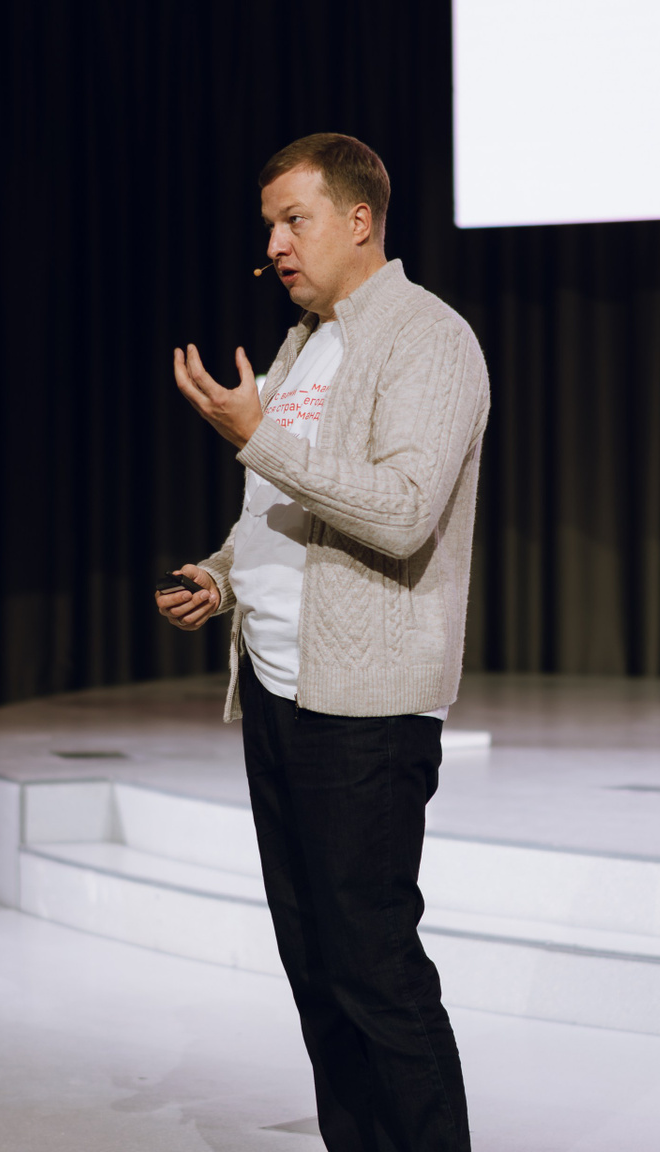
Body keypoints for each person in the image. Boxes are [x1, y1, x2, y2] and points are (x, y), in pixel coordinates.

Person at [158, 133, 490, 1151]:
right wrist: (223, 573)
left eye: (293, 221)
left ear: (358, 219)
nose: (274, 245)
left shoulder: (427, 337)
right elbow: (282, 506)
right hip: (278, 691)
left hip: (365, 709)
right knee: (315, 967)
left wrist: (255, 435)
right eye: (269, 225)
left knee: (375, 972)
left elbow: (401, 511)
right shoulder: (308, 341)